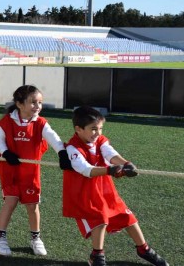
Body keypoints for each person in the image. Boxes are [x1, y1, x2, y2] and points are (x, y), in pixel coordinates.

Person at [61, 106, 168, 266]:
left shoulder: (100, 141)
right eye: (93, 129)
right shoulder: (72, 148)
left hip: (105, 190)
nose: (97, 133)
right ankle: (97, 256)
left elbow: (110, 154)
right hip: (83, 193)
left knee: (127, 217)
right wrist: (110, 170)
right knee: (100, 219)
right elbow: (85, 170)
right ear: (78, 129)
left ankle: (143, 249)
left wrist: (126, 164)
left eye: (100, 129)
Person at [0, 85, 71, 256]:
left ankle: (36, 238)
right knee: (10, 202)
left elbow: (54, 139)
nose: (37, 106)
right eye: (33, 102)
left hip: (31, 172)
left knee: (32, 205)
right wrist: (5, 152)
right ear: (19, 104)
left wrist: (62, 153)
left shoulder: (41, 123)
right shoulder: (6, 122)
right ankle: (0, 238)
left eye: (40, 103)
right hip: (10, 170)